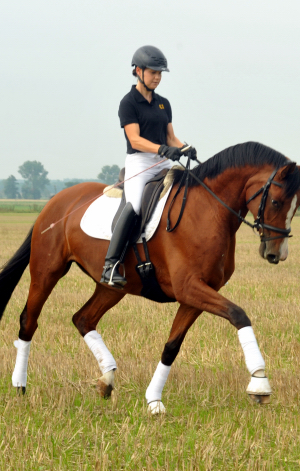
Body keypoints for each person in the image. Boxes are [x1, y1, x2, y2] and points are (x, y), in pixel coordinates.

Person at [100, 45, 197, 288]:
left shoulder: (163, 103)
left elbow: (170, 137)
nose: (157, 77)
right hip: (140, 162)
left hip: (162, 161)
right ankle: (110, 266)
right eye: (153, 72)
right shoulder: (128, 102)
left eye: (160, 73)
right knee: (134, 206)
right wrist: (162, 148)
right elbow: (135, 139)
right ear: (138, 71)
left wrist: (184, 148)